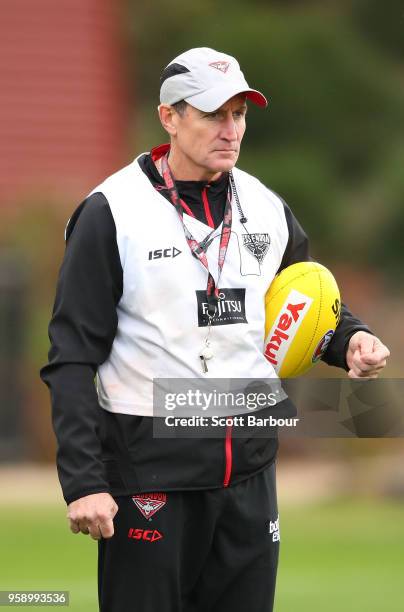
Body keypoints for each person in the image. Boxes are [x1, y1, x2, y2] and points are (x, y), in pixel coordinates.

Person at [40, 47, 390, 612]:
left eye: (240, 115)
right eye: (212, 114)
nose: (231, 130)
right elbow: (71, 356)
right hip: (150, 475)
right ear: (169, 118)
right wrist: (84, 481)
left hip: (249, 475)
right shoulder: (111, 212)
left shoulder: (266, 207)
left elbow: (304, 306)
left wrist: (349, 339)